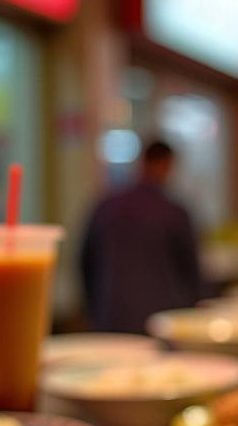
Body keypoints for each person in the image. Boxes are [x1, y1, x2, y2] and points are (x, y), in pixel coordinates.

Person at [80, 139, 202, 334]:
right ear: (168, 165)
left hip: (111, 318)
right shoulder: (173, 212)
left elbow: (84, 264)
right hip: (162, 322)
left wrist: (94, 310)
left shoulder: (105, 206)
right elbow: (192, 274)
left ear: (141, 162)